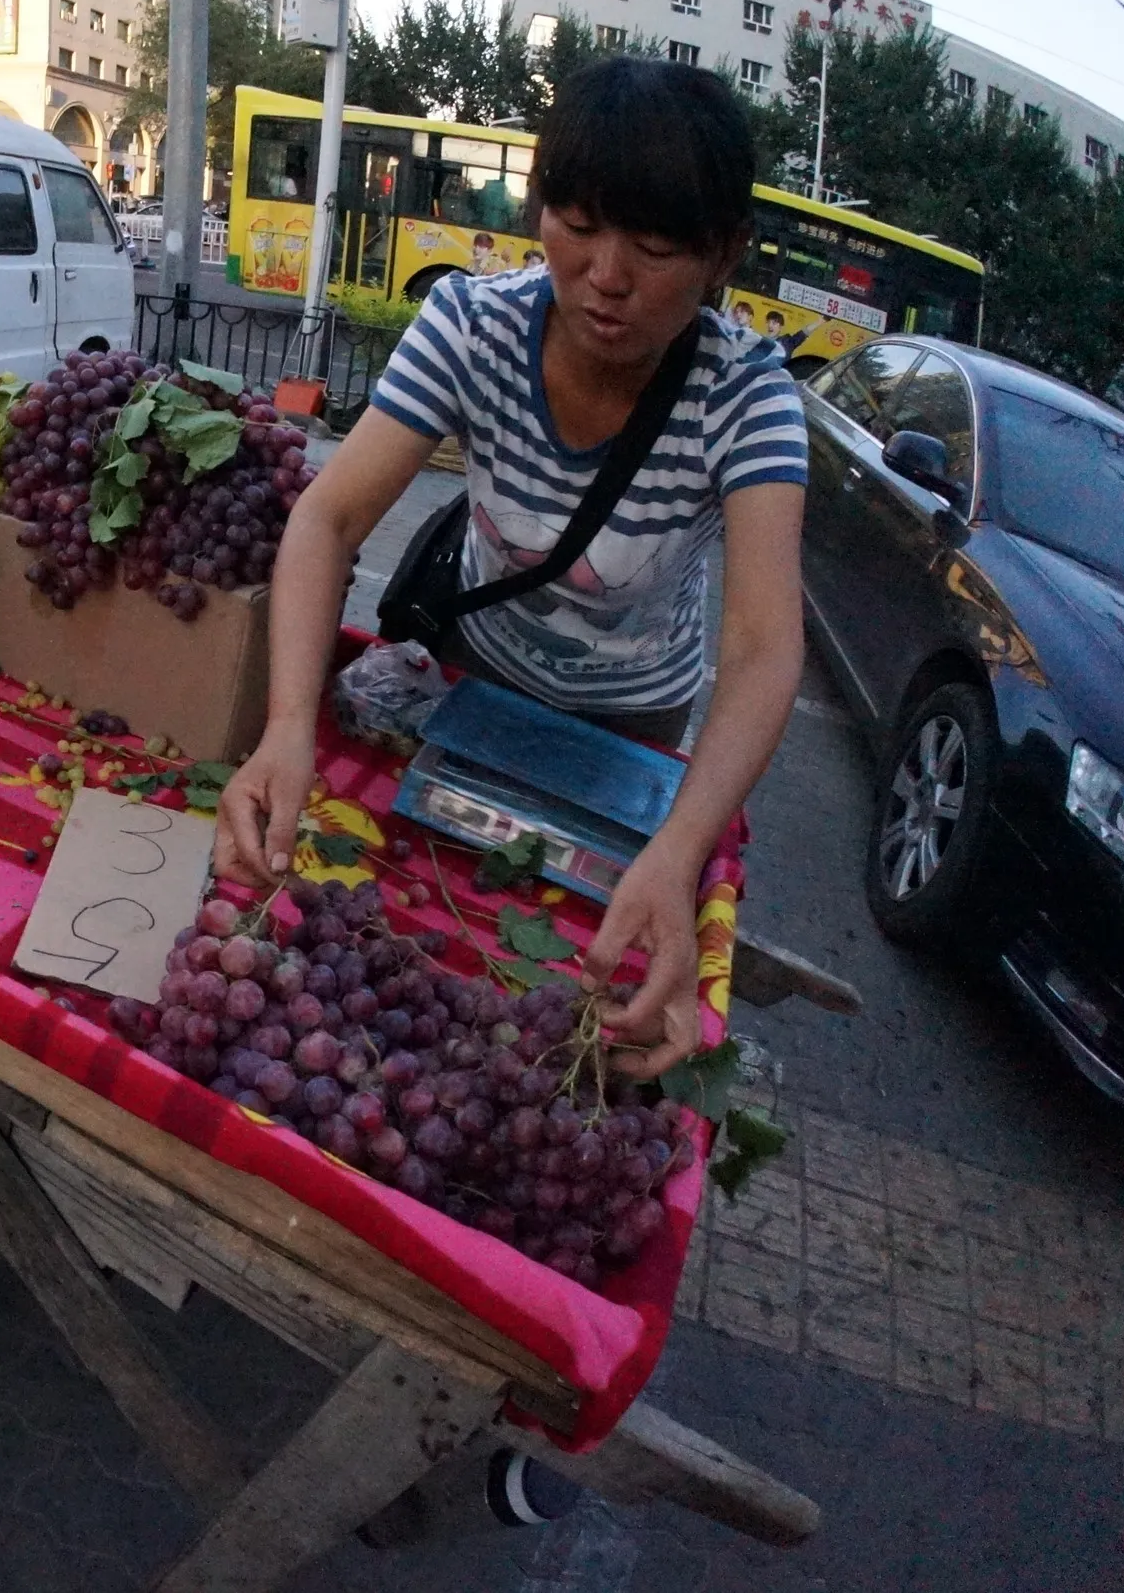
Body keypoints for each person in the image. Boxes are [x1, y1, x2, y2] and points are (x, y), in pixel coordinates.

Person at [212, 58, 808, 1076]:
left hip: (633, 727)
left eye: (654, 245)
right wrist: (281, 728)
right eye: (575, 225)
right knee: (433, 950)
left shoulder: (748, 400)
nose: (605, 274)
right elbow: (329, 517)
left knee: (579, 985)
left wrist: (678, 850)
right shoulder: (470, 326)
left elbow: (759, 648)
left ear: (722, 257)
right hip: (472, 684)